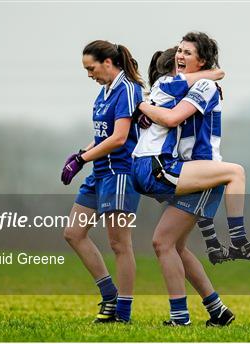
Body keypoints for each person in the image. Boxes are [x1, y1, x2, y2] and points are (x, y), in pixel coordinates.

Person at [132, 32, 250, 327]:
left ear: (202, 61)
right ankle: (218, 311)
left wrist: (140, 105)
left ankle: (181, 316)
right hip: (187, 170)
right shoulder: (186, 83)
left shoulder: (205, 84)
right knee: (174, 246)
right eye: (178, 51)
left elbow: (172, 118)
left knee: (162, 242)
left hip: (201, 171)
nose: (180, 56)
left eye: (187, 53)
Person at [61, 40, 144, 324]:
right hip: (99, 173)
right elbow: (102, 138)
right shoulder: (103, 93)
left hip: (120, 174)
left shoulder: (128, 90)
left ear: (107, 62)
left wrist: (82, 161)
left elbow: (120, 138)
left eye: (91, 68)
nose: (89, 74)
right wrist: (81, 153)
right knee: (73, 233)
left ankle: (123, 312)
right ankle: (109, 294)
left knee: (119, 244)